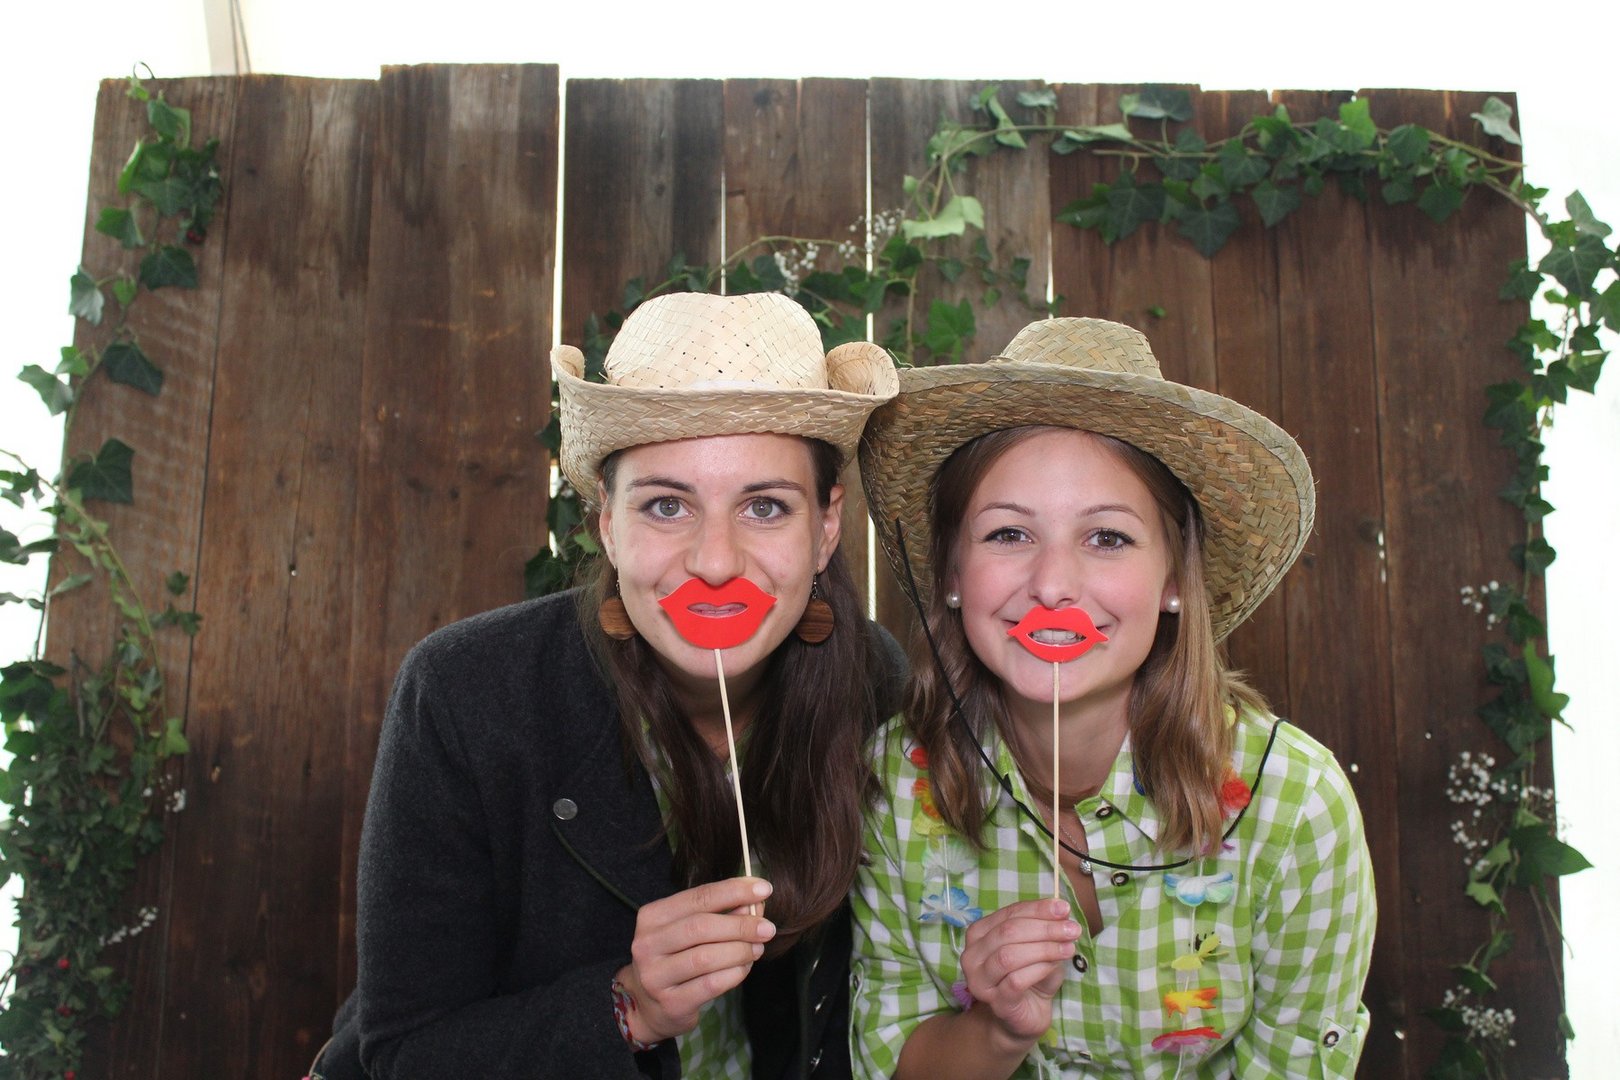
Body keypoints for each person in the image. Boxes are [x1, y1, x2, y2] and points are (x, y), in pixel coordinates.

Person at [312, 292, 901, 1080]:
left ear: (826, 528)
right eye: (666, 505)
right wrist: (628, 1007)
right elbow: (405, 1053)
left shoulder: (875, 684)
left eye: (765, 506)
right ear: (607, 526)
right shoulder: (462, 693)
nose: (716, 562)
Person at [850, 317, 1374, 1078]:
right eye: (1008, 534)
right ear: (954, 574)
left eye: (1108, 538)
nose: (1053, 585)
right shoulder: (893, 784)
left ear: (1174, 581)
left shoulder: (1295, 806)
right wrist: (994, 1029)